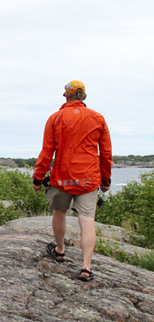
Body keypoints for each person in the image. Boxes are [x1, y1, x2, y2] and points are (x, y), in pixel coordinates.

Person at [33, 80, 112, 282]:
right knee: (87, 220)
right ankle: (86, 267)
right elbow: (106, 152)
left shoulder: (55, 118)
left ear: (65, 96)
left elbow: (47, 151)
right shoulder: (98, 118)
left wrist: (38, 177)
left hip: (62, 177)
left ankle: (60, 250)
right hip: (89, 177)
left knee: (60, 212)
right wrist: (106, 178)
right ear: (83, 96)